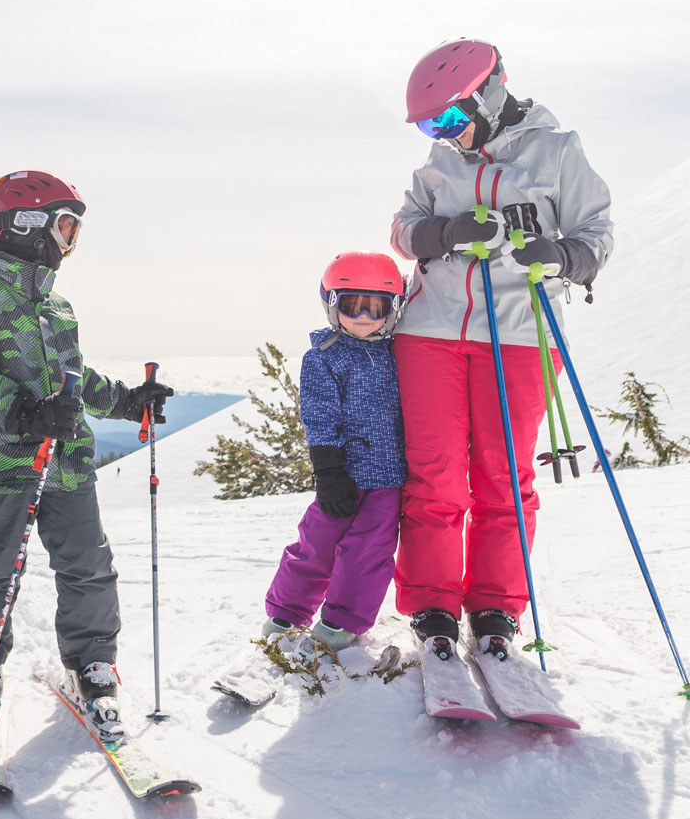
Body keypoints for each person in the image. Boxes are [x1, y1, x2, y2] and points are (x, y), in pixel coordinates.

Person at [388, 38, 614, 661]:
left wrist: (561, 254)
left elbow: (597, 233)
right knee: (434, 477)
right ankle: (432, 604)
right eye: (430, 125)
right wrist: (447, 232)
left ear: (487, 95)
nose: (442, 134)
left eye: (448, 118)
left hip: (519, 334)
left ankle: (495, 606)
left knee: (504, 478)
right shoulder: (440, 161)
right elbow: (403, 231)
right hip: (430, 333)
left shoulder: (557, 151)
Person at [0, 170, 173, 739]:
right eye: (65, 225)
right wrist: (24, 413)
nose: (71, 239)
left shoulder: (56, 305)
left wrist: (128, 401)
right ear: (24, 225)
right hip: (4, 461)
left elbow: (75, 378)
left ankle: (92, 664)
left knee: (88, 564)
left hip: (67, 463)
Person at [258, 253, 406, 653]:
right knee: (316, 541)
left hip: (389, 478)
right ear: (331, 304)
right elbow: (319, 414)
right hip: (343, 472)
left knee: (368, 552)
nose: (364, 316)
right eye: (352, 305)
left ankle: (342, 619)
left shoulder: (401, 354)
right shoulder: (324, 356)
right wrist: (328, 471)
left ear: (394, 308)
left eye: (376, 307)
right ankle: (287, 610)